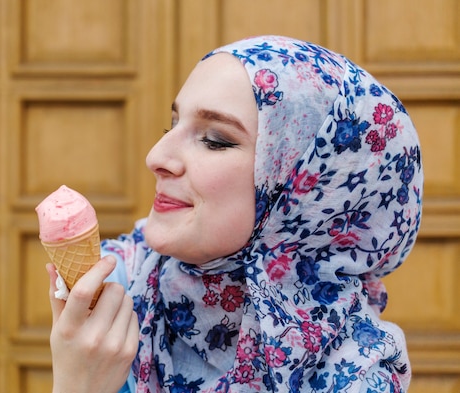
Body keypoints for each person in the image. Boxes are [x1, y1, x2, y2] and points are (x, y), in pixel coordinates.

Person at [45, 35, 423, 393]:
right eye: (173, 124)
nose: (156, 157)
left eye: (215, 140)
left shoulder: (354, 373)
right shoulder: (116, 290)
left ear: (308, 191)